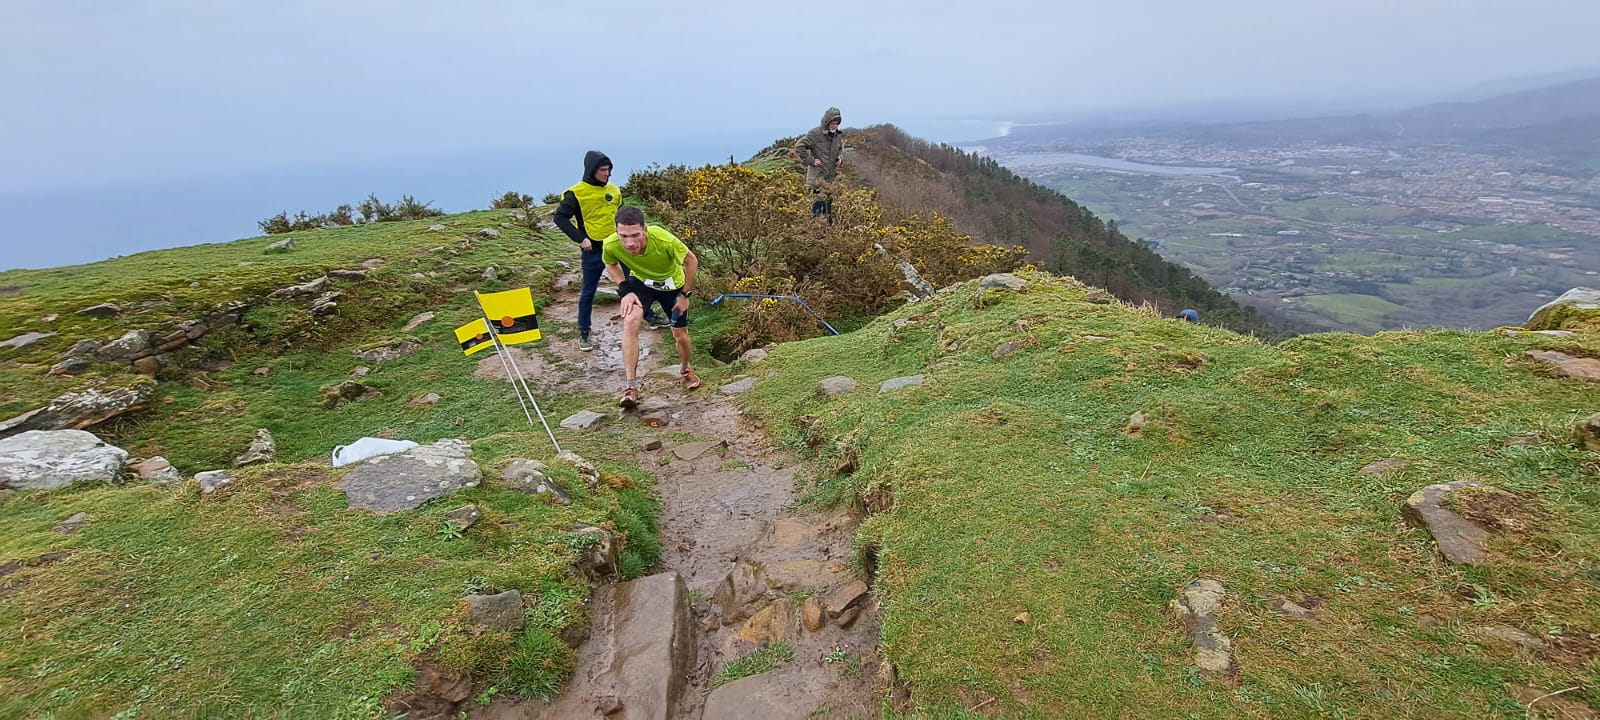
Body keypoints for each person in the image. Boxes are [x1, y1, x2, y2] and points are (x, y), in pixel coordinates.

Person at [552, 150, 664, 352]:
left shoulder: (614, 190)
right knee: (589, 291)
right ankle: (584, 331)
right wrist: (580, 238)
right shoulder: (575, 193)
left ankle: (649, 316)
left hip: (619, 247)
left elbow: (622, 216)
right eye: (603, 170)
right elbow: (560, 218)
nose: (607, 174)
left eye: (609, 170)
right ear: (591, 170)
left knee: (634, 282)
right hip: (593, 249)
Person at [602, 205, 702, 409]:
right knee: (630, 322)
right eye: (623, 236)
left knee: (679, 334)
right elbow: (610, 263)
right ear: (616, 232)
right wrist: (625, 290)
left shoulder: (663, 239)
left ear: (645, 230)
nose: (630, 243)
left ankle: (685, 368)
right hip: (642, 284)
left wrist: (685, 295)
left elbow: (691, 261)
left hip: (672, 286)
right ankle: (631, 388)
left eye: (635, 235)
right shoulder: (610, 244)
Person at [794, 107, 844, 222]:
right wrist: (811, 161)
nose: (835, 126)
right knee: (816, 215)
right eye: (832, 123)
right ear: (827, 122)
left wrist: (840, 158)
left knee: (828, 216)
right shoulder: (815, 134)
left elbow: (840, 150)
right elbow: (799, 146)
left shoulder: (838, 135)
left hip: (830, 182)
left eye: (837, 124)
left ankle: (828, 232)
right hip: (817, 181)